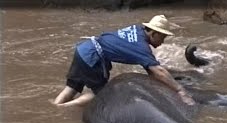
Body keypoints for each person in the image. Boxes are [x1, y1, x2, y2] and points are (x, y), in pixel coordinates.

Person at [52, 15, 195, 107]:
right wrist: (180, 89)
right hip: (93, 57)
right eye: (162, 37)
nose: (162, 42)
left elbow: (152, 70)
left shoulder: (137, 30)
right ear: (153, 33)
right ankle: (64, 108)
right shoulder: (141, 47)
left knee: (72, 87)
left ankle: (55, 105)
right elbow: (158, 71)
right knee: (102, 93)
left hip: (83, 49)